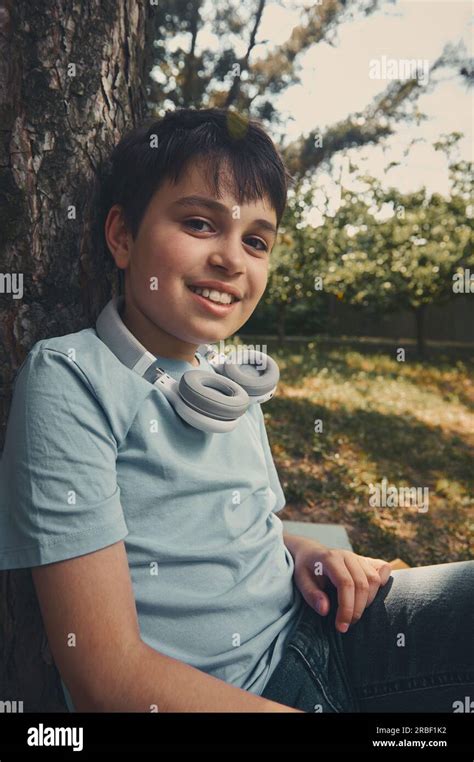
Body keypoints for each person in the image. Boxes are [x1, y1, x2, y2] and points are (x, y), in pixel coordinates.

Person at [0, 108, 472, 713]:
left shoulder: (227, 380)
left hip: (323, 631)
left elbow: (245, 527)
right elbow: (108, 680)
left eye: (256, 240)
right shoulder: (71, 379)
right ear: (121, 236)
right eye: (200, 223)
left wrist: (308, 553)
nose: (232, 259)